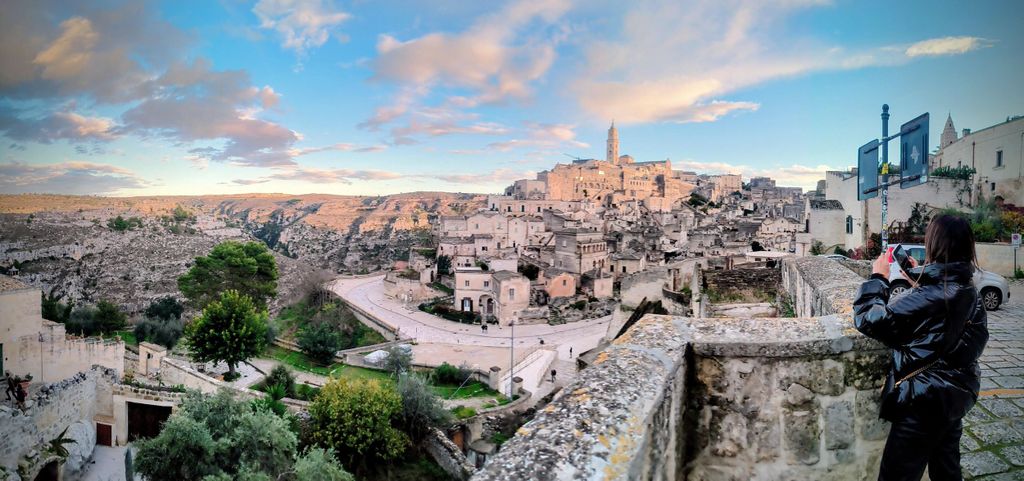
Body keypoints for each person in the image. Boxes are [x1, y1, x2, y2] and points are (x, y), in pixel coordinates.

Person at [853, 215, 988, 481]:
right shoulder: (968, 290)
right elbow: (939, 318)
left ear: (934, 244)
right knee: (947, 471)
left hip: (922, 403)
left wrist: (879, 278)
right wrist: (918, 275)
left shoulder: (934, 296)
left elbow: (869, 318)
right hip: (953, 397)